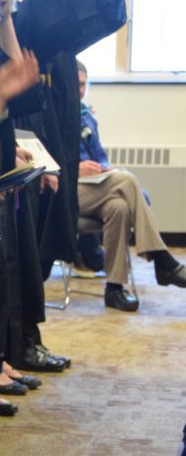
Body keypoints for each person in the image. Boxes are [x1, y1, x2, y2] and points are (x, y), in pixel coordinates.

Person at [77, 60, 186, 309]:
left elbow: (100, 154)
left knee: (120, 207)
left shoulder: (87, 116)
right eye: (76, 85)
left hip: (96, 186)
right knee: (127, 180)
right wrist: (74, 167)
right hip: (67, 190)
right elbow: (49, 161)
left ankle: (114, 289)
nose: (80, 90)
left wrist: (105, 167)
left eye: (84, 85)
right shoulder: (54, 115)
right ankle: (162, 259)